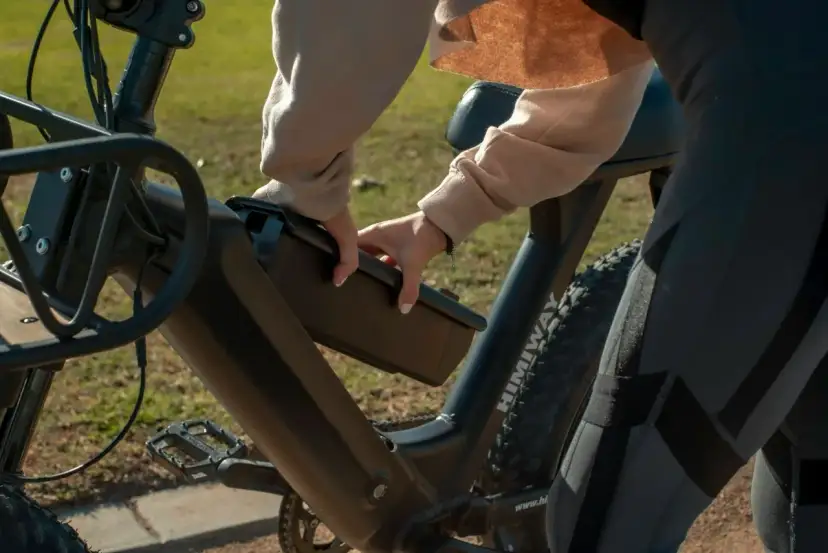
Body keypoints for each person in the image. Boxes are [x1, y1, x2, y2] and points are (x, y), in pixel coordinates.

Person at [256, 1, 828, 552]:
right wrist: (438, 219)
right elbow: (594, 79)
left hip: (793, 134)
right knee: (805, 495)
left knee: (607, 524)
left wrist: (307, 176)